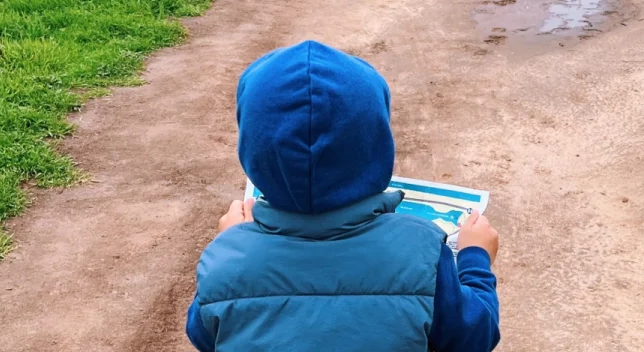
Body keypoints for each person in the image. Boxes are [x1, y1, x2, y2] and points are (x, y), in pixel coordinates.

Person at [186, 40, 501, 352]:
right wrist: (476, 258)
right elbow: (475, 337)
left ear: (253, 151)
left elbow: (204, 336)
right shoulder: (424, 251)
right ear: (377, 146)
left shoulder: (224, 260)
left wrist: (232, 242)